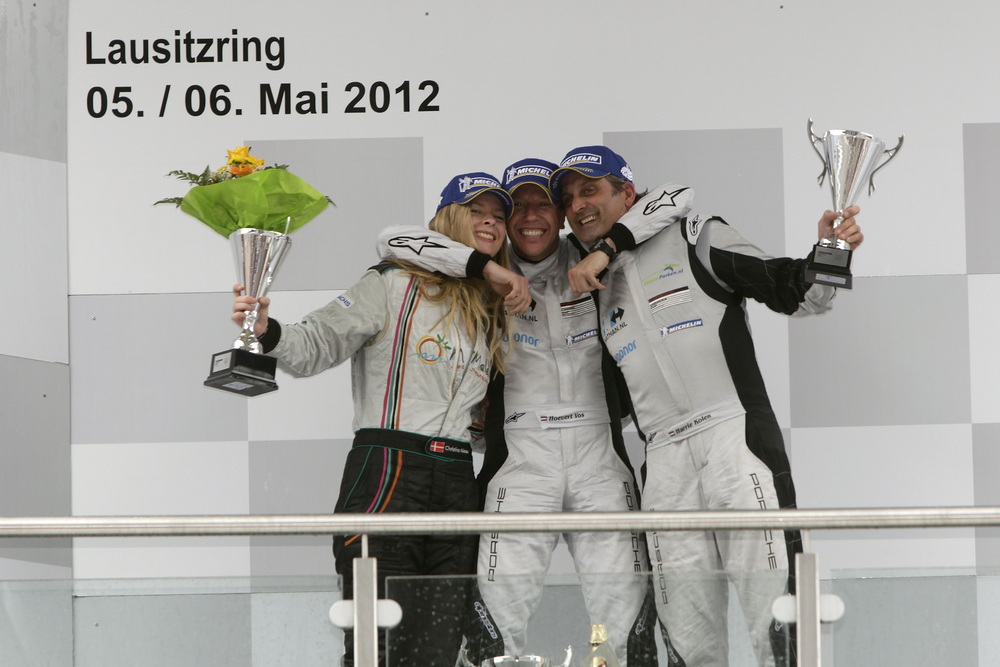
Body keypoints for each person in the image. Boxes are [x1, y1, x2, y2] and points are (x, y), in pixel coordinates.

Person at [549, 145, 864, 667]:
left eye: (590, 190)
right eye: (568, 198)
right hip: (663, 463)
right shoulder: (586, 282)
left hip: (735, 441)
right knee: (688, 641)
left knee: (776, 620)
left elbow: (797, 292)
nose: (578, 205)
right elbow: (610, 399)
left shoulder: (695, 236)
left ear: (627, 193)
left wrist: (833, 249)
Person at [376, 158, 688, 665]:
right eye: (517, 206)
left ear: (561, 214)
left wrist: (603, 251)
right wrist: (489, 270)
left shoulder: (595, 256)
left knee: (619, 620)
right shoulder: (478, 268)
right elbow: (391, 240)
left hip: (600, 462)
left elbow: (678, 196)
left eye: (543, 203)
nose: (530, 216)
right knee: (499, 622)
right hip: (520, 464)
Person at [230, 172, 521, 667]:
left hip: (457, 479)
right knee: (374, 643)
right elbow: (317, 343)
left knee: (438, 647)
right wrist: (267, 330)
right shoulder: (392, 281)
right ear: (449, 218)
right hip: (388, 468)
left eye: (498, 217)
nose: (490, 223)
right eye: (477, 212)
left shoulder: (493, 308)